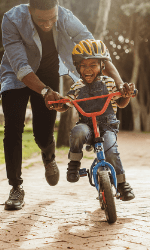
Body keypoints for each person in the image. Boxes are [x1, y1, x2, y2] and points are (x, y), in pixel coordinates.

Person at [0, 0, 133, 210]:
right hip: (16, 74)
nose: (48, 24)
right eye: (41, 20)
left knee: (43, 134)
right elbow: (21, 66)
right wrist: (44, 91)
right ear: (30, 10)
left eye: (52, 18)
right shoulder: (12, 20)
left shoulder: (66, 17)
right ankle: (15, 187)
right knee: (13, 128)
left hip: (48, 72)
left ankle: (48, 156)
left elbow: (96, 51)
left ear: (57, 10)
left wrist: (119, 84)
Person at [53, 39, 135, 201]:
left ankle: (122, 184)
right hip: (87, 127)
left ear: (102, 66)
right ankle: (74, 164)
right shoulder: (77, 87)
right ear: (77, 67)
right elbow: (66, 104)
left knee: (111, 153)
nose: (88, 69)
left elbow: (121, 103)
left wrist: (126, 96)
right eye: (83, 65)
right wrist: (58, 105)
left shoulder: (110, 83)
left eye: (93, 65)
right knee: (77, 131)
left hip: (107, 127)